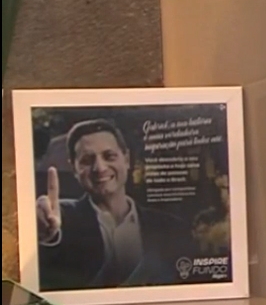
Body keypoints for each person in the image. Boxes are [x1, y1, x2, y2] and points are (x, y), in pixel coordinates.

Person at [35, 118, 194, 290]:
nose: (100, 168)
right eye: (87, 160)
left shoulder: (171, 227)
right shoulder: (62, 219)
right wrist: (46, 237)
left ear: (126, 159)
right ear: (74, 168)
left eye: (109, 156)